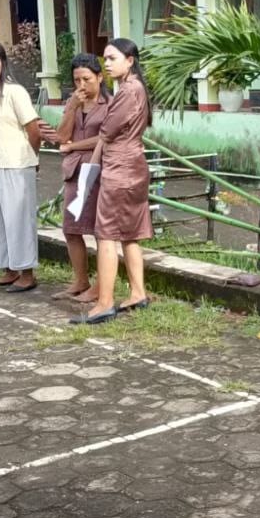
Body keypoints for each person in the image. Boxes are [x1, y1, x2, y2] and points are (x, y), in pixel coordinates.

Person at [70, 38, 150, 324]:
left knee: (106, 235)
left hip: (120, 168)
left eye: (112, 58)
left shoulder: (129, 90)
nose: (107, 63)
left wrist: (92, 166)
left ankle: (104, 302)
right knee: (129, 234)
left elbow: (107, 130)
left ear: (130, 60)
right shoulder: (134, 88)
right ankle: (138, 292)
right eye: (105, 58)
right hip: (132, 166)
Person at [0, 40, 41, 292]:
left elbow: (33, 130)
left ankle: (27, 273)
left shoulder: (15, 92)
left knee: (19, 220)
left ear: (2, 64)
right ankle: (9, 269)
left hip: (16, 164)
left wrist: (32, 158)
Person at [53, 53, 110, 302]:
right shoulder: (72, 103)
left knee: (100, 230)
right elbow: (61, 136)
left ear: (99, 76)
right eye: (77, 80)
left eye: (86, 79)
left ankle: (101, 285)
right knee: (71, 227)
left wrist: (74, 146)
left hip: (99, 168)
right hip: (74, 170)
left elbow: (106, 136)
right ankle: (80, 280)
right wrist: (73, 107)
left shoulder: (110, 103)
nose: (82, 85)